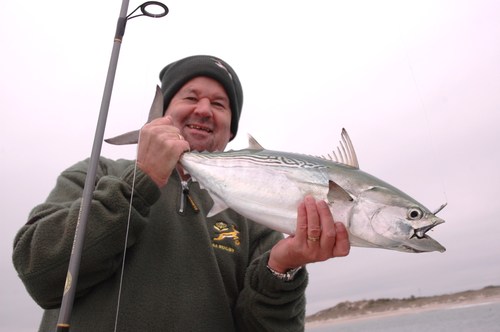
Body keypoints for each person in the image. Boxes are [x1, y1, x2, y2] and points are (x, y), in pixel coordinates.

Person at [12, 55, 350, 331]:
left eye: (219, 104)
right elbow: (40, 273)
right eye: (190, 97)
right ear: (160, 116)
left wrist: (282, 270)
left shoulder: (255, 216)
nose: (204, 109)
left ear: (230, 130)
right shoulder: (96, 174)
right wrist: (140, 182)